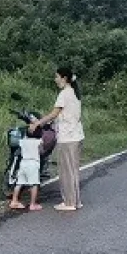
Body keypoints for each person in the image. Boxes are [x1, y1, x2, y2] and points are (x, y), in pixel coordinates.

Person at [30, 67, 84, 211]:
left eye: (57, 76)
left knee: (66, 171)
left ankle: (69, 203)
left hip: (67, 137)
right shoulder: (75, 93)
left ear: (64, 78)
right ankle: (76, 201)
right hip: (77, 135)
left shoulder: (64, 93)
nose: (55, 79)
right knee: (73, 170)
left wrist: (38, 122)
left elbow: (54, 113)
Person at [8, 128, 43, 212]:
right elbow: (41, 151)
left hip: (23, 163)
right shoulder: (39, 141)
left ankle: (14, 201)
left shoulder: (23, 141)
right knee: (34, 184)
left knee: (19, 182)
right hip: (33, 163)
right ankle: (33, 204)